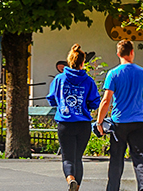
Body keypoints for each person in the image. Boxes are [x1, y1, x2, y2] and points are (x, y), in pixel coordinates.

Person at [95, 40, 143, 191]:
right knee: (140, 157)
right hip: (138, 121)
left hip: (119, 122)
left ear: (118, 54)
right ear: (132, 52)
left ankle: (113, 188)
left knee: (116, 158)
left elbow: (106, 100)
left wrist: (99, 122)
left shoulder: (113, 74)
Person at [47, 44, 101, 191]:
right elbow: (95, 102)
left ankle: (70, 178)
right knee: (78, 158)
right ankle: (76, 187)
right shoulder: (88, 80)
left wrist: (60, 103)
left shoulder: (59, 79)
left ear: (69, 61)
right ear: (82, 62)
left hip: (65, 123)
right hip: (83, 124)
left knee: (68, 158)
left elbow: (51, 98)